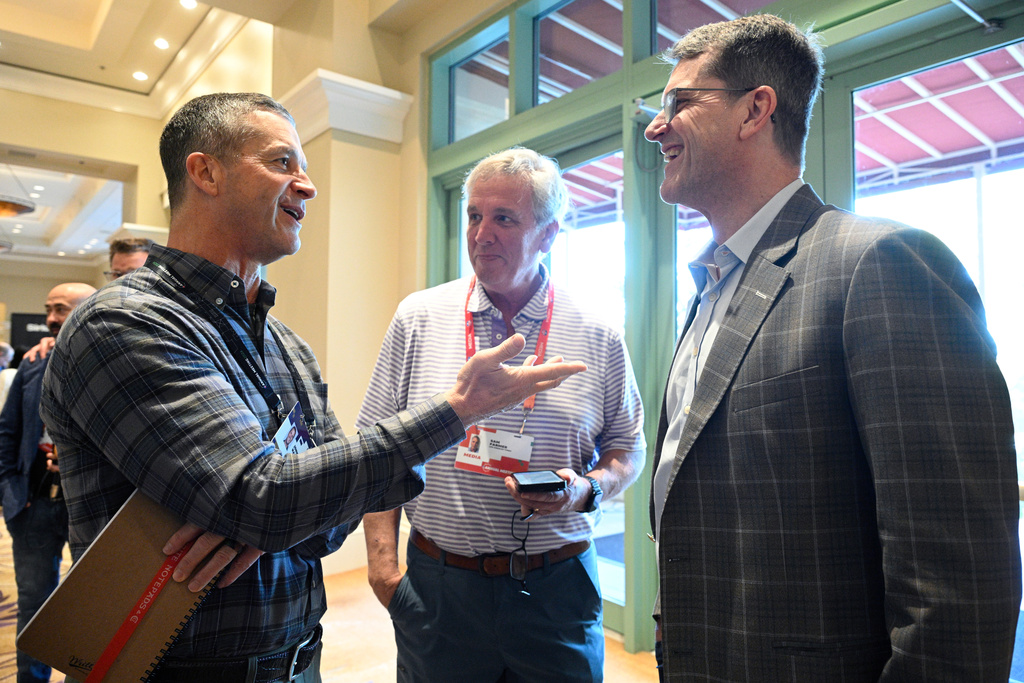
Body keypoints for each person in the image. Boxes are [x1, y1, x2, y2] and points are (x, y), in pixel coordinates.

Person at [39, 94, 585, 683]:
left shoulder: (286, 346)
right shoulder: (124, 324)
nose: (308, 185)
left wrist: (276, 512)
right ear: (205, 173)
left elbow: (323, 515)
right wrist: (456, 410)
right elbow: (264, 500)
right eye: (282, 162)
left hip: (299, 659)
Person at [643, 14, 1019, 682]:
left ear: (755, 110)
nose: (656, 126)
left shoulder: (881, 262)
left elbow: (954, 583)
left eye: (680, 102)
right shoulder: (710, 286)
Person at [359, 147, 646, 682]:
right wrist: (382, 570)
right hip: (440, 585)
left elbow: (628, 449)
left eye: (504, 219)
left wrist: (586, 489)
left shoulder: (598, 332)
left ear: (548, 234)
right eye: (474, 215)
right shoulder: (418, 317)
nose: (481, 234)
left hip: (557, 589)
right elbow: (377, 448)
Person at [0, 282, 96, 683]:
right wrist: (9, 492)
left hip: (90, 508)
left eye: (62, 309)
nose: (52, 318)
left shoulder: (111, 363)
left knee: (92, 608)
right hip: (33, 505)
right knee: (34, 605)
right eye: (49, 309)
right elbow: (7, 432)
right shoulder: (33, 362)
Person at [22, 237, 154, 364]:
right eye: (117, 274)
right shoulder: (105, 316)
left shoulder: (164, 318)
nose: (122, 282)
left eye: (133, 273)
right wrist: (59, 342)